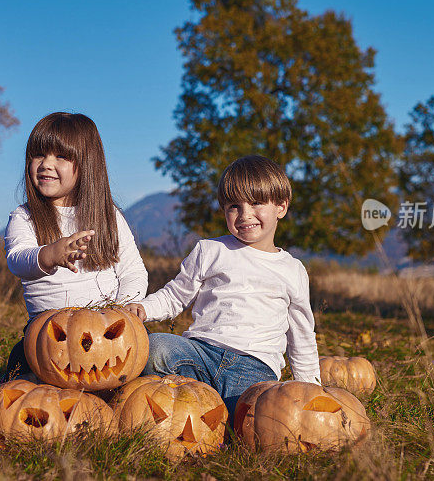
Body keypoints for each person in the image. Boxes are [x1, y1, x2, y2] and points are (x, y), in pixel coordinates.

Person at [125, 155, 321, 418]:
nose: (244, 215)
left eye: (256, 203)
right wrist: (144, 309)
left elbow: (301, 333)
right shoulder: (210, 250)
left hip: (254, 366)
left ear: (281, 208)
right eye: (234, 206)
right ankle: (193, 403)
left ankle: (212, 413)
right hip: (200, 353)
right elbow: (175, 294)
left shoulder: (293, 270)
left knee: (254, 416)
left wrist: (310, 388)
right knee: (156, 348)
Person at [4, 112, 148, 377]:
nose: (46, 164)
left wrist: (126, 306)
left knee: (146, 362)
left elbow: (132, 271)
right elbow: (17, 258)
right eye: (38, 155)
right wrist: (49, 255)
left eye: (60, 156)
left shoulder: (109, 217)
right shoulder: (25, 217)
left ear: (86, 165)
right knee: (21, 370)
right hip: (51, 336)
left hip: (107, 330)